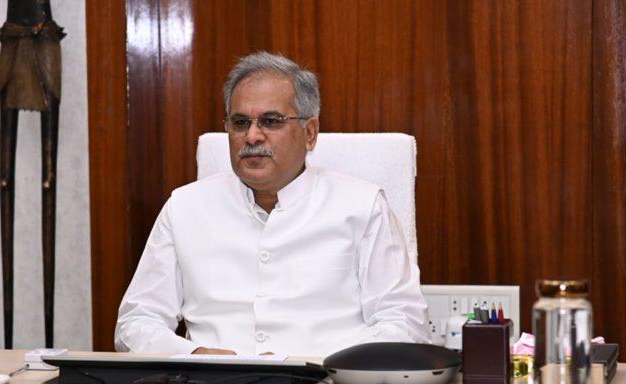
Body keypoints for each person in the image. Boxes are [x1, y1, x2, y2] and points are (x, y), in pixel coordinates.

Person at [115, 52, 430, 356]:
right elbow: (136, 322)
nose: (252, 136)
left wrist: (327, 363)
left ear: (310, 133)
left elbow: (404, 323)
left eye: (271, 121)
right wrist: (194, 353)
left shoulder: (362, 206)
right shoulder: (185, 207)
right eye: (240, 122)